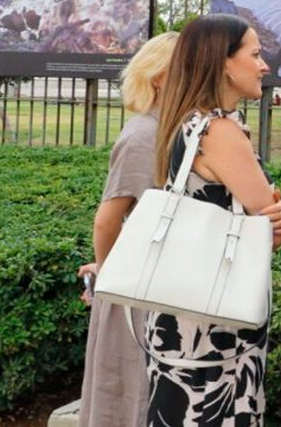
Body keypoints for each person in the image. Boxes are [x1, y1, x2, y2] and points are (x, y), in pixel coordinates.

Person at [147, 14, 281, 426]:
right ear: (225, 63)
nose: (265, 65)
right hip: (216, 328)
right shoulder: (220, 132)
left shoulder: (185, 124)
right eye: (256, 54)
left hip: (179, 317)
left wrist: (271, 217)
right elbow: (269, 231)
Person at [76, 32, 177, 427]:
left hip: (151, 283)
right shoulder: (142, 135)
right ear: (158, 77)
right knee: (130, 394)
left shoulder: (169, 131)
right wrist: (108, 272)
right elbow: (107, 218)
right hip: (136, 292)